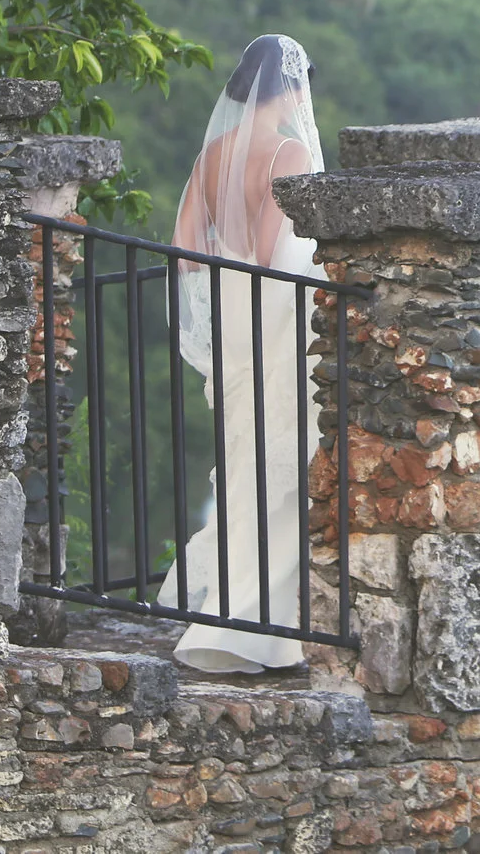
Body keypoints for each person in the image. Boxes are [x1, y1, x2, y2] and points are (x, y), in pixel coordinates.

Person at [157, 34, 326, 673]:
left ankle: (232, 611)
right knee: (285, 457)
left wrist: (220, 287)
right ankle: (261, 625)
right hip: (277, 316)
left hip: (232, 315)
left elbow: (184, 248)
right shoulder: (290, 153)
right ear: (290, 89)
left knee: (244, 456)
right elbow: (273, 255)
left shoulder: (214, 153)